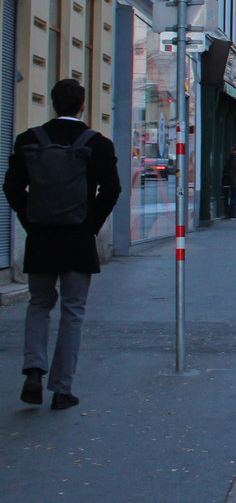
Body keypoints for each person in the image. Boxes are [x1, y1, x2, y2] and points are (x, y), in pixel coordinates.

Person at [3, 78, 121, 410]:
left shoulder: (29, 141)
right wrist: (89, 228)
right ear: (82, 105)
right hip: (77, 242)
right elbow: (111, 191)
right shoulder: (97, 144)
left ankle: (34, 371)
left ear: (53, 104)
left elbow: (11, 188)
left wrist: (32, 223)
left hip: (41, 239)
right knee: (73, 312)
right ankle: (61, 389)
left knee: (39, 304)